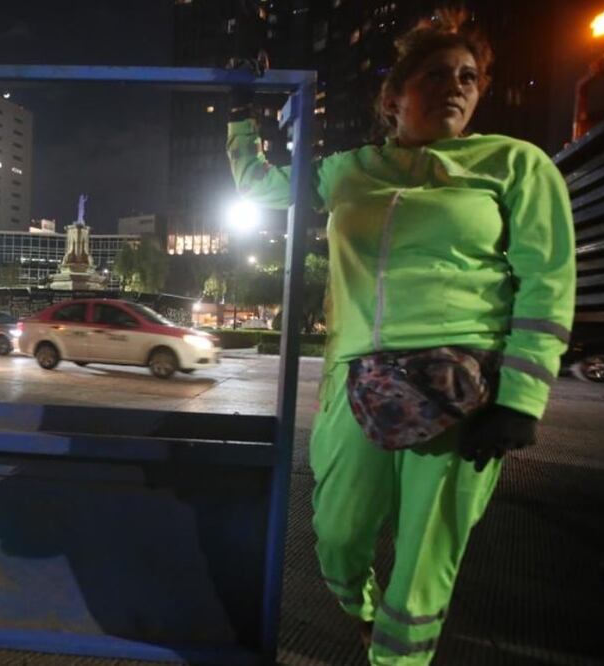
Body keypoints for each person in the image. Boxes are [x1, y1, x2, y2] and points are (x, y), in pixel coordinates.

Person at [227, 11, 574, 665]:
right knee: (335, 535)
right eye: (436, 74)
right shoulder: (346, 172)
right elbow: (257, 185)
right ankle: (360, 609)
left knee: (423, 561)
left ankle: (398, 659)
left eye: (469, 77)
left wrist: (521, 400)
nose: (456, 86)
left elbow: (547, 282)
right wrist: (241, 113)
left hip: (464, 387)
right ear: (393, 97)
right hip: (357, 377)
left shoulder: (515, 165)